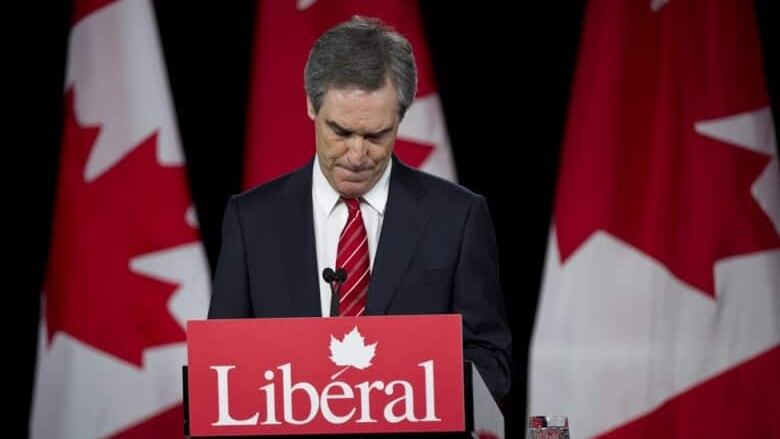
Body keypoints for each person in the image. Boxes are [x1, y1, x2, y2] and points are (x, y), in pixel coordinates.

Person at [208, 16, 511, 401]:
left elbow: (491, 359)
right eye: (341, 131)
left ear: (400, 118)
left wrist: (411, 397)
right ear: (310, 106)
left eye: (375, 135)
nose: (356, 154)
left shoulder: (459, 218)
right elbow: (221, 362)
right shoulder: (250, 220)